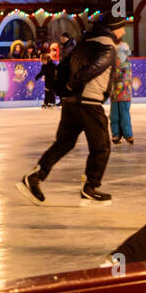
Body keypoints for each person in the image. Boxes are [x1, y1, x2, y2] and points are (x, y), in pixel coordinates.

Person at [17, 13, 125, 206]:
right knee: (101, 147)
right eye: (122, 26)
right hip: (89, 103)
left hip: (71, 102)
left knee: (64, 142)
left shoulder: (84, 42)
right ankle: (90, 187)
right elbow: (91, 70)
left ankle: (35, 177)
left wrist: (63, 90)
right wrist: (71, 85)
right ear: (114, 28)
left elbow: (64, 65)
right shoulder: (108, 47)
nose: (124, 30)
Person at [109, 42, 133, 145]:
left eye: (118, 58)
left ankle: (128, 134)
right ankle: (116, 134)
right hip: (114, 96)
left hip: (124, 96)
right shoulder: (113, 68)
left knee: (124, 116)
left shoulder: (126, 67)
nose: (116, 60)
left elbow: (122, 79)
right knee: (114, 116)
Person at [36, 44, 60, 109]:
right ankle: (46, 102)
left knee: (51, 92)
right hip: (47, 81)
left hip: (52, 81)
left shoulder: (52, 65)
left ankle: (52, 102)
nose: (42, 62)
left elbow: (56, 72)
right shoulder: (44, 66)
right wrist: (37, 76)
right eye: (42, 61)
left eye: (43, 61)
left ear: (46, 60)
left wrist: (56, 78)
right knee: (46, 92)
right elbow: (42, 72)